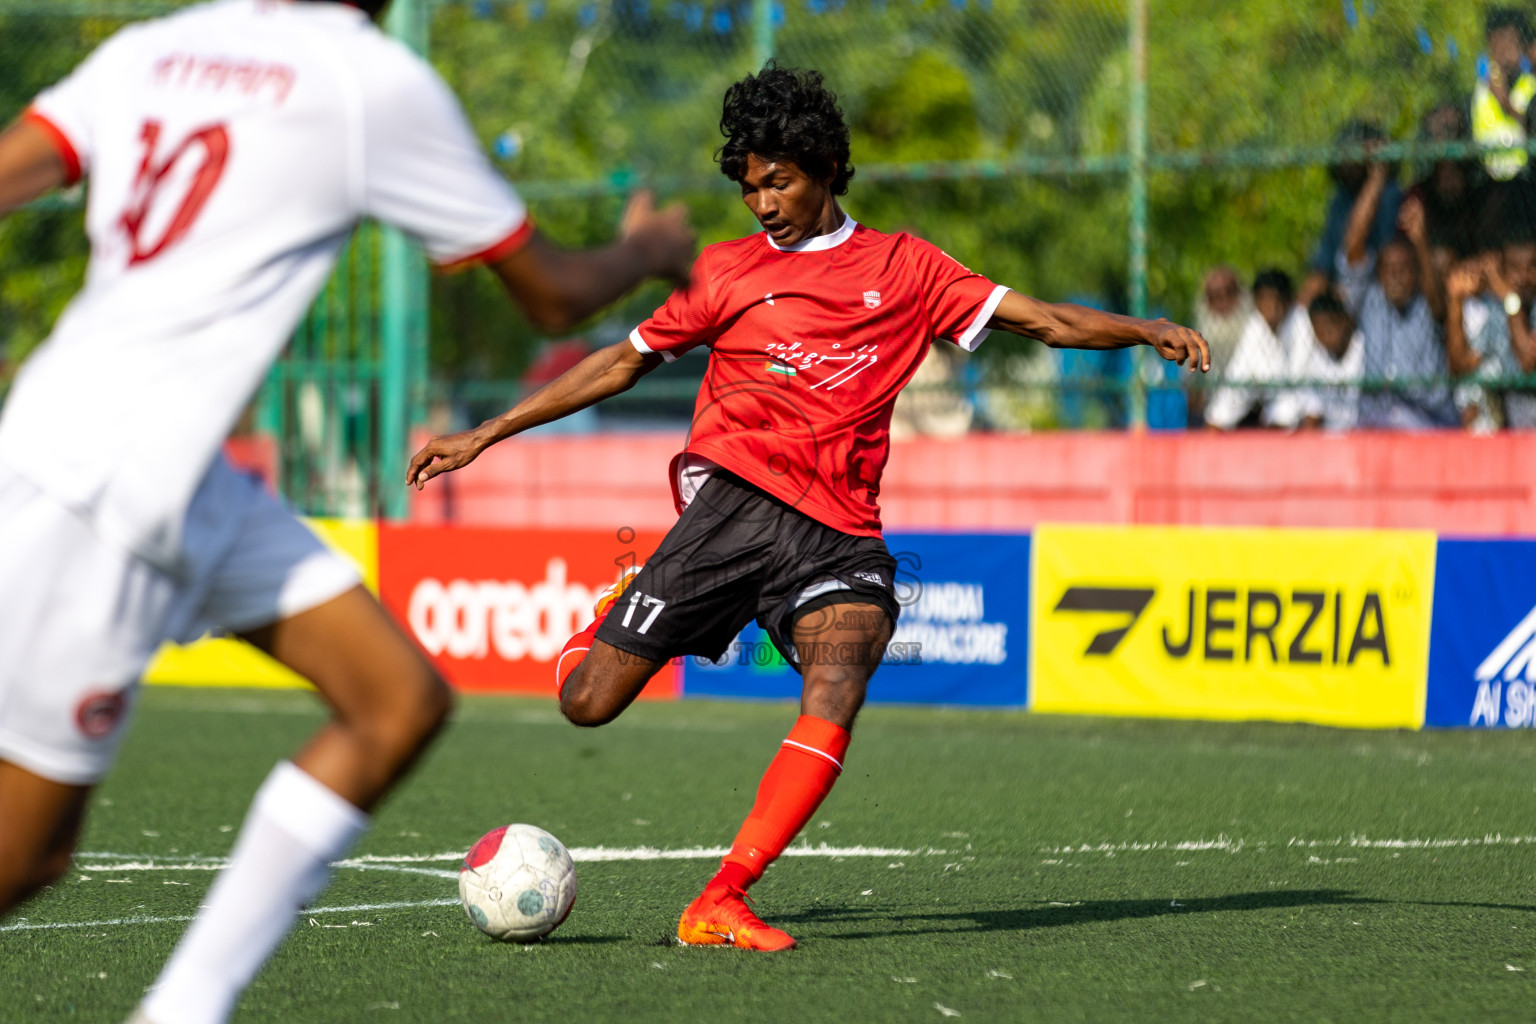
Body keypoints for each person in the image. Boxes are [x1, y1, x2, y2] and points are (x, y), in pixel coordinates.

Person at [407, 63, 1210, 952]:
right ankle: (622, 601)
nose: (762, 202)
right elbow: (620, 362)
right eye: (749, 186)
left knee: (840, 678)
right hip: (736, 508)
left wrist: (1143, 329)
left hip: (839, 535)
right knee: (585, 702)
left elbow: (1047, 322)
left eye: (778, 181)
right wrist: (487, 431)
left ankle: (723, 896)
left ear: (828, 169)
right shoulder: (724, 274)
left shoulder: (908, 268)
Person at [0, 3, 695, 1024]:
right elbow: (552, 295)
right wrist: (644, 247)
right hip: (110, 480)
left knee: (397, 699)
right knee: (27, 852)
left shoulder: (153, 48)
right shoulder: (366, 80)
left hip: (152, 460)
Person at [1336, 160, 1458, 429]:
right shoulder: (1370, 299)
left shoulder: (1426, 302)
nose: (1397, 277)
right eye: (1389, 270)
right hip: (1376, 423)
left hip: (1428, 422)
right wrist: (1376, 179)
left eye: (1404, 269)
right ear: (1379, 273)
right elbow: (1353, 245)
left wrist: (1420, 239)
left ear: (1416, 272)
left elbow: (1437, 302)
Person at [1298, 120, 1402, 308]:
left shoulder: (1391, 195)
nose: (1349, 161)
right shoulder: (1341, 199)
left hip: (1377, 289)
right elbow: (1322, 268)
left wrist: (1377, 176)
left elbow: (1355, 248)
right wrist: (1299, 314)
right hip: (1344, 290)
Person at [1445, 234, 1536, 430]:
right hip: (1515, 422)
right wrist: (1456, 301)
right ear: (1504, 270)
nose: (1523, 276)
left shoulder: (1511, 303)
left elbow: (1527, 361)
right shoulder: (1499, 312)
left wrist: (1509, 296)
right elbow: (1461, 364)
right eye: (1514, 268)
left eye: (1531, 267)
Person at [1204, 268, 1307, 430]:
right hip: (1270, 415)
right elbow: (1237, 380)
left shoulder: (1301, 323)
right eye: (1263, 299)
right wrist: (1216, 420)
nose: (1269, 306)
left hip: (1305, 417)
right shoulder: (1256, 325)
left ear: (1287, 300)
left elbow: (1301, 389)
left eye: (1274, 298)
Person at [1269, 293, 1364, 431]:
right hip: (1328, 438)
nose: (1325, 333)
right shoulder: (1318, 355)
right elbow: (1312, 412)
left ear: (1345, 321)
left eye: (1330, 324)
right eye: (1318, 328)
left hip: (1363, 431)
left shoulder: (1362, 348)